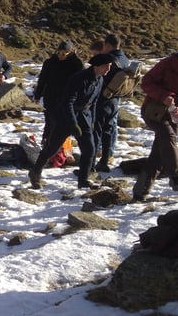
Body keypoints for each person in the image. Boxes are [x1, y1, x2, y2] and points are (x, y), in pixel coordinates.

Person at [28, 53, 114, 190]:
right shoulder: (79, 78)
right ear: (97, 66)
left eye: (109, 66)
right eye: (106, 66)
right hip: (66, 116)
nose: (108, 69)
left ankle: (83, 180)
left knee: (89, 148)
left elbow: (94, 102)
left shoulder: (100, 80)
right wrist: (73, 123)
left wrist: (91, 121)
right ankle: (35, 171)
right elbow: (67, 101)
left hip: (85, 116)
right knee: (53, 147)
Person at [133, 53, 178, 201]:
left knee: (158, 155)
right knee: (168, 136)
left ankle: (140, 192)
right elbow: (146, 82)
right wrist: (164, 95)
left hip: (174, 116)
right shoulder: (168, 63)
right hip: (154, 112)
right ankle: (175, 175)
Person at [33, 40, 85, 145]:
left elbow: (82, 80)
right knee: (50, 121)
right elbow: (42, 79)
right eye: (59, 53)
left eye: (64, 53)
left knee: (60, 123)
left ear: (70, 53)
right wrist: (37, 95)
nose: (61, 56)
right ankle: (46, 142)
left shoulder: (76, 64)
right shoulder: (50, 62)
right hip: (51, 97)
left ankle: (57, 146)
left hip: (66, 99)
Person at [93, 33, 130, 172]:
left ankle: (90, 164)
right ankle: (105, 160)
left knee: (96, 131)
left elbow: (99, 79)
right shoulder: (125, 59)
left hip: (103, 99)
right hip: (115, 99)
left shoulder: (110, 60)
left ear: (108, 45)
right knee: (108, 130)